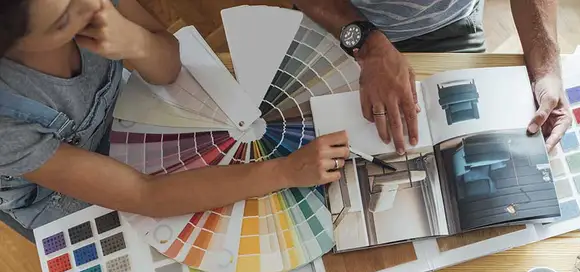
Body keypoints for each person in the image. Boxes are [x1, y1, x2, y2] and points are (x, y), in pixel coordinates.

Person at [0, 0, 350, 240]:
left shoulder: (90, 6)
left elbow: (167, 68)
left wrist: (136, 41)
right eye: (64, 20)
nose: (94, 7)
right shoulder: (7, 122)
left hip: (120, 111)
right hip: (52, 193)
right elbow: (145, 195)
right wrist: (285, 171)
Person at [293, 0, 572, 154]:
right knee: (300, 140)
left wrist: (547, 69)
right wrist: (368, 45)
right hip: (338, 19)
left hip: (450, 26)